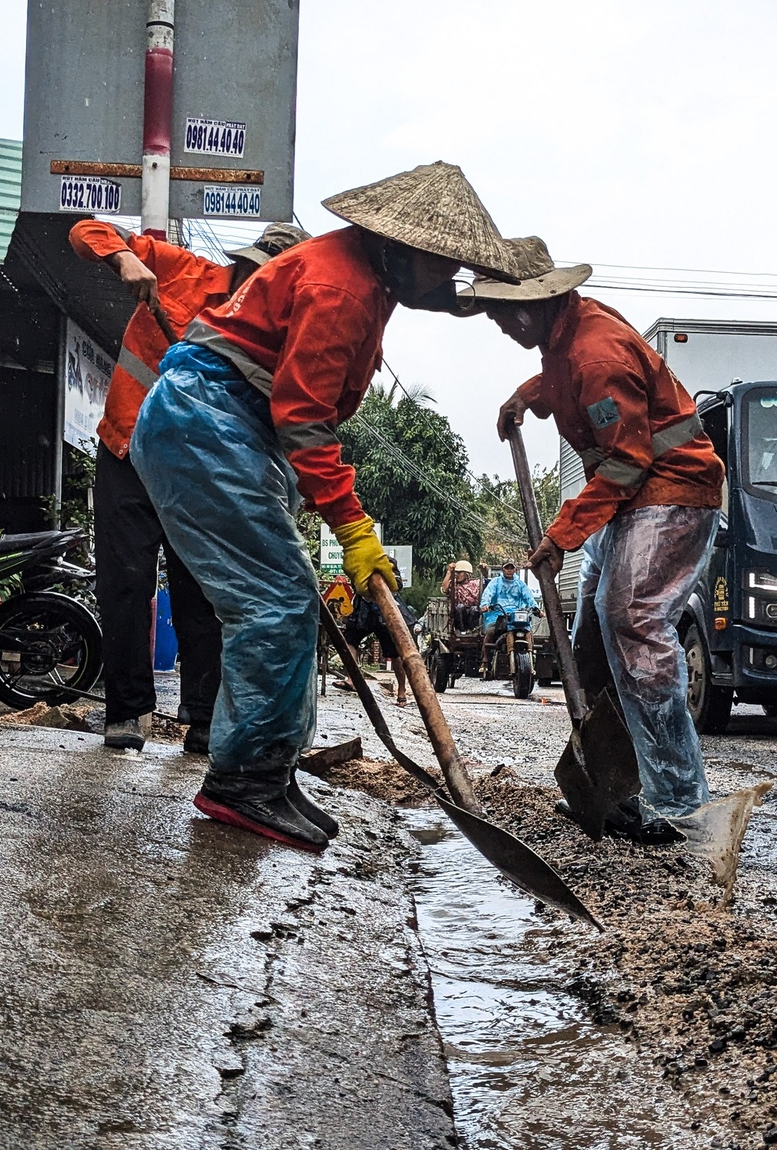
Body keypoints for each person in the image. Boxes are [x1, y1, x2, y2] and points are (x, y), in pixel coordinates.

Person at [133, 162, 535, 849]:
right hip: (207, 425)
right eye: (444, 268)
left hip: (226, 427)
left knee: (288, 599)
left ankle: (269, 771)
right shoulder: (341, 289)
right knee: (274, 603)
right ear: (406, 249)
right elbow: (303, 420)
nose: (446, 280)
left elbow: (425, 295)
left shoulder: (371, 271)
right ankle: (243, 784)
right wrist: (353, 527)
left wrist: (474, 300)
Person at [478, 251, 724, 843]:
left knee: (632, 619)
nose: (505, 327)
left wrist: (562, 536)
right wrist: (528, 395)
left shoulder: (597, 352)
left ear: (543, 302)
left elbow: (627, 460)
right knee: (590, 639)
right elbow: (564, 379)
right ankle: (615, 786)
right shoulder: (568, 338)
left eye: (512, 315)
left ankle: (679, 804)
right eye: (498, 316)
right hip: (632, 496)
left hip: (672, 492)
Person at [69, 217, 305, 754]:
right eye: (254, 270)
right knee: (124, 583)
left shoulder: (276, 339)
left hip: (199, 472)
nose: (256, 283)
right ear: (243, 263)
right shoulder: (182, 272)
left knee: (199, 590)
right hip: (127, 447)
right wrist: (123, 259)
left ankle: (202, 717)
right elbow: (85, 230)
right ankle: (127, 712)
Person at [343, 585, 414, 706]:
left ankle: (401, 691)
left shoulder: (388, 565)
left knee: (394, 653)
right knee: (350, 641)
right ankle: (352, 679)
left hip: (385, 608)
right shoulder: (358, 566)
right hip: (363, 609)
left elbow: (397, 583)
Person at [478, 560, 539, 662]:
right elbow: (488, 594)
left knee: (529, 631)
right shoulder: (495, 582)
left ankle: (532, 658)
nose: (509, 570)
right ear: (503, 569)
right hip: (498, 615)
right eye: (507, 568)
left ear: (515, 570)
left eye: (512, 568)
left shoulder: (520, 584)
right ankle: (485, 659)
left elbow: (529, 597)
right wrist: (485, 605)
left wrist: (536, 608)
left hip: (516, 616)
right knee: (490, 632)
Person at [442, 560, 482, 633]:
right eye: (456, 572)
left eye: (460, 572)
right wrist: (449, 572)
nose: (457, 574)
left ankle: (471, 630)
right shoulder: (453, 584)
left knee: (475, 609)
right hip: (458, 613)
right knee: (460, 607)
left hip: (472, 612)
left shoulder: (476, 583)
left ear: (467, 574)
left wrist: (484, 570)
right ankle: (461, 631)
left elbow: (488, 582)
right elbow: (444, 589)